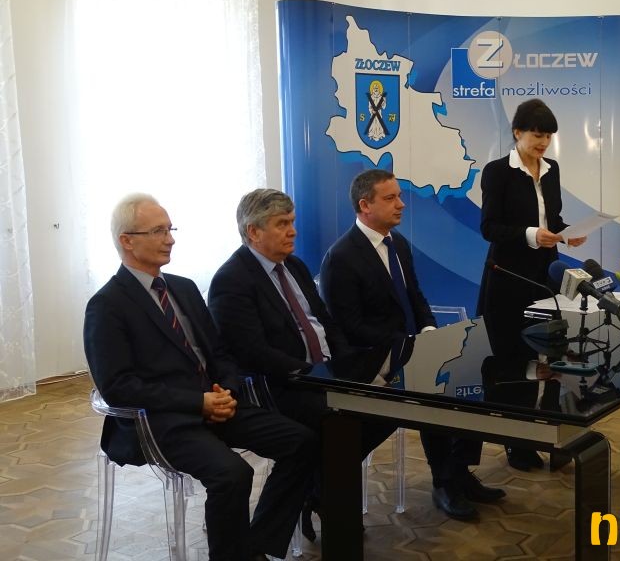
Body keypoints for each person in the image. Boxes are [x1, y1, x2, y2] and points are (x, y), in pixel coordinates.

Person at [84, 193, 316, 561]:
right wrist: (198, 402)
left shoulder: (184, 288)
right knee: (232, 474)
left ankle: (258, 545)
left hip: (216, 404)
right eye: (158, 231)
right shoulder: (107, 305)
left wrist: (226, 389)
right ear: (127, 240)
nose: (170, 239)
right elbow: (118, 387)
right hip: (162, 421)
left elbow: (220, 352)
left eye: (170, 229)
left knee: (302, 441)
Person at [207, 188, 395, 540]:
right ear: (253, 231)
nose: (292, 231)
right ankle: (322, 498)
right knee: (342, 421)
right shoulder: (232, 279)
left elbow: (326, 322)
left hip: (324, 374)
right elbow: (251, 352)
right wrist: (313, 374)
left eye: (292, 221)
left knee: (391, 405)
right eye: (282, 224)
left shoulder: (294, 265)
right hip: (278, 385)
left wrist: (344, 364)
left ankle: (318, 490)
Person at [320, 168, 506, 521]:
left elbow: (416, 296)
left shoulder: (398, 244)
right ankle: (445, 482)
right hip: (373, 357)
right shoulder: (341, 257)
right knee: (434, 385)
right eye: (390, 198)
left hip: (408, 347)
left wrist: (429, 331)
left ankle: (458, 471)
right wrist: (410, 346)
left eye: (400, 196)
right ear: (365, 206)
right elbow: (349, 328)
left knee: (472, 371)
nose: (401, 204)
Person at [477, 98, 586, 471]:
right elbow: (489, 228)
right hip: (508, 277)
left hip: (544, 276)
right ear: (517, 132)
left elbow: (552, 218)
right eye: (537, 135)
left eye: (548, 136)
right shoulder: (497, 172)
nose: (543, 143)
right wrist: (530, 235)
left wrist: (567, 233)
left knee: (551, 359)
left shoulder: (551, 170)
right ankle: (517, 444)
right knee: (514, 362)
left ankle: (554, 439)